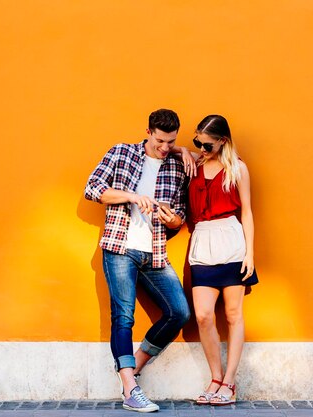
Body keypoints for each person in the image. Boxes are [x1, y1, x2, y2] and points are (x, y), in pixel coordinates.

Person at [84, 109, 191, 412]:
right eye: (160, 141)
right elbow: (93, 189)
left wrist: (173, 220)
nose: (164, 147)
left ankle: (135, 366)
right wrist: (131, 196)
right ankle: (131, 389)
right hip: (120, 247)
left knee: (179, 312)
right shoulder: (121, 152)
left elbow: (180, 215)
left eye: (171, 142)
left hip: (154, 252)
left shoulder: (176, 165)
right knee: (124, 316)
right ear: (148, 131)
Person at [178, 115, 258, 406]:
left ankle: (230, 382)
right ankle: (215, 377)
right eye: (196, 141)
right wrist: (185, 150)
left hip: (231, 240)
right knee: (203, 314)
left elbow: (246, 212)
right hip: (202, 241)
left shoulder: (238, 168)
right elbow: (171, 149)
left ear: (223, 141)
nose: (200, 147)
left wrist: (250, 253)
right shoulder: (194, 165)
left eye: (206, 144)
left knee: (234, 314)